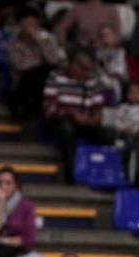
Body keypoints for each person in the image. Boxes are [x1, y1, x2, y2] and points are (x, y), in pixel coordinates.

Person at [43, 50, 112, 184]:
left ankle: (101, 174)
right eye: (83, 69)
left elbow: (98, 107)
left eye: (89, 70)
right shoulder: (55, 77)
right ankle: (71, 175)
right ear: (73, 65)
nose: (86, 73)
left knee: (107, 135)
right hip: (61, 119)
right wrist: (72, 114)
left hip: (86, 121)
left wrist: (94, 119)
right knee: (67, 131)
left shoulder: (92, 81)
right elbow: (49, 108)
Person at [5, 8, 63, 119]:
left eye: (33, 23)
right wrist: (40, 64)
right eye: (27, 23)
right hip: (25, 83)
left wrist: (40, 44)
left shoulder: (48, 39)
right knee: (38, 73)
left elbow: (54, 61)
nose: (31, 26)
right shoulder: (13, 45)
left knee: (52, 72)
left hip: (46, 80)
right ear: (19, 25)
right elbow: (21, 67)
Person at [54, 0, 119, 50]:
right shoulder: (78, 9)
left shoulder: (111, 10)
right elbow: (61, 27)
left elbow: (118, 35)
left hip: (107, 50)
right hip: (84, 50)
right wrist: (63, 47)